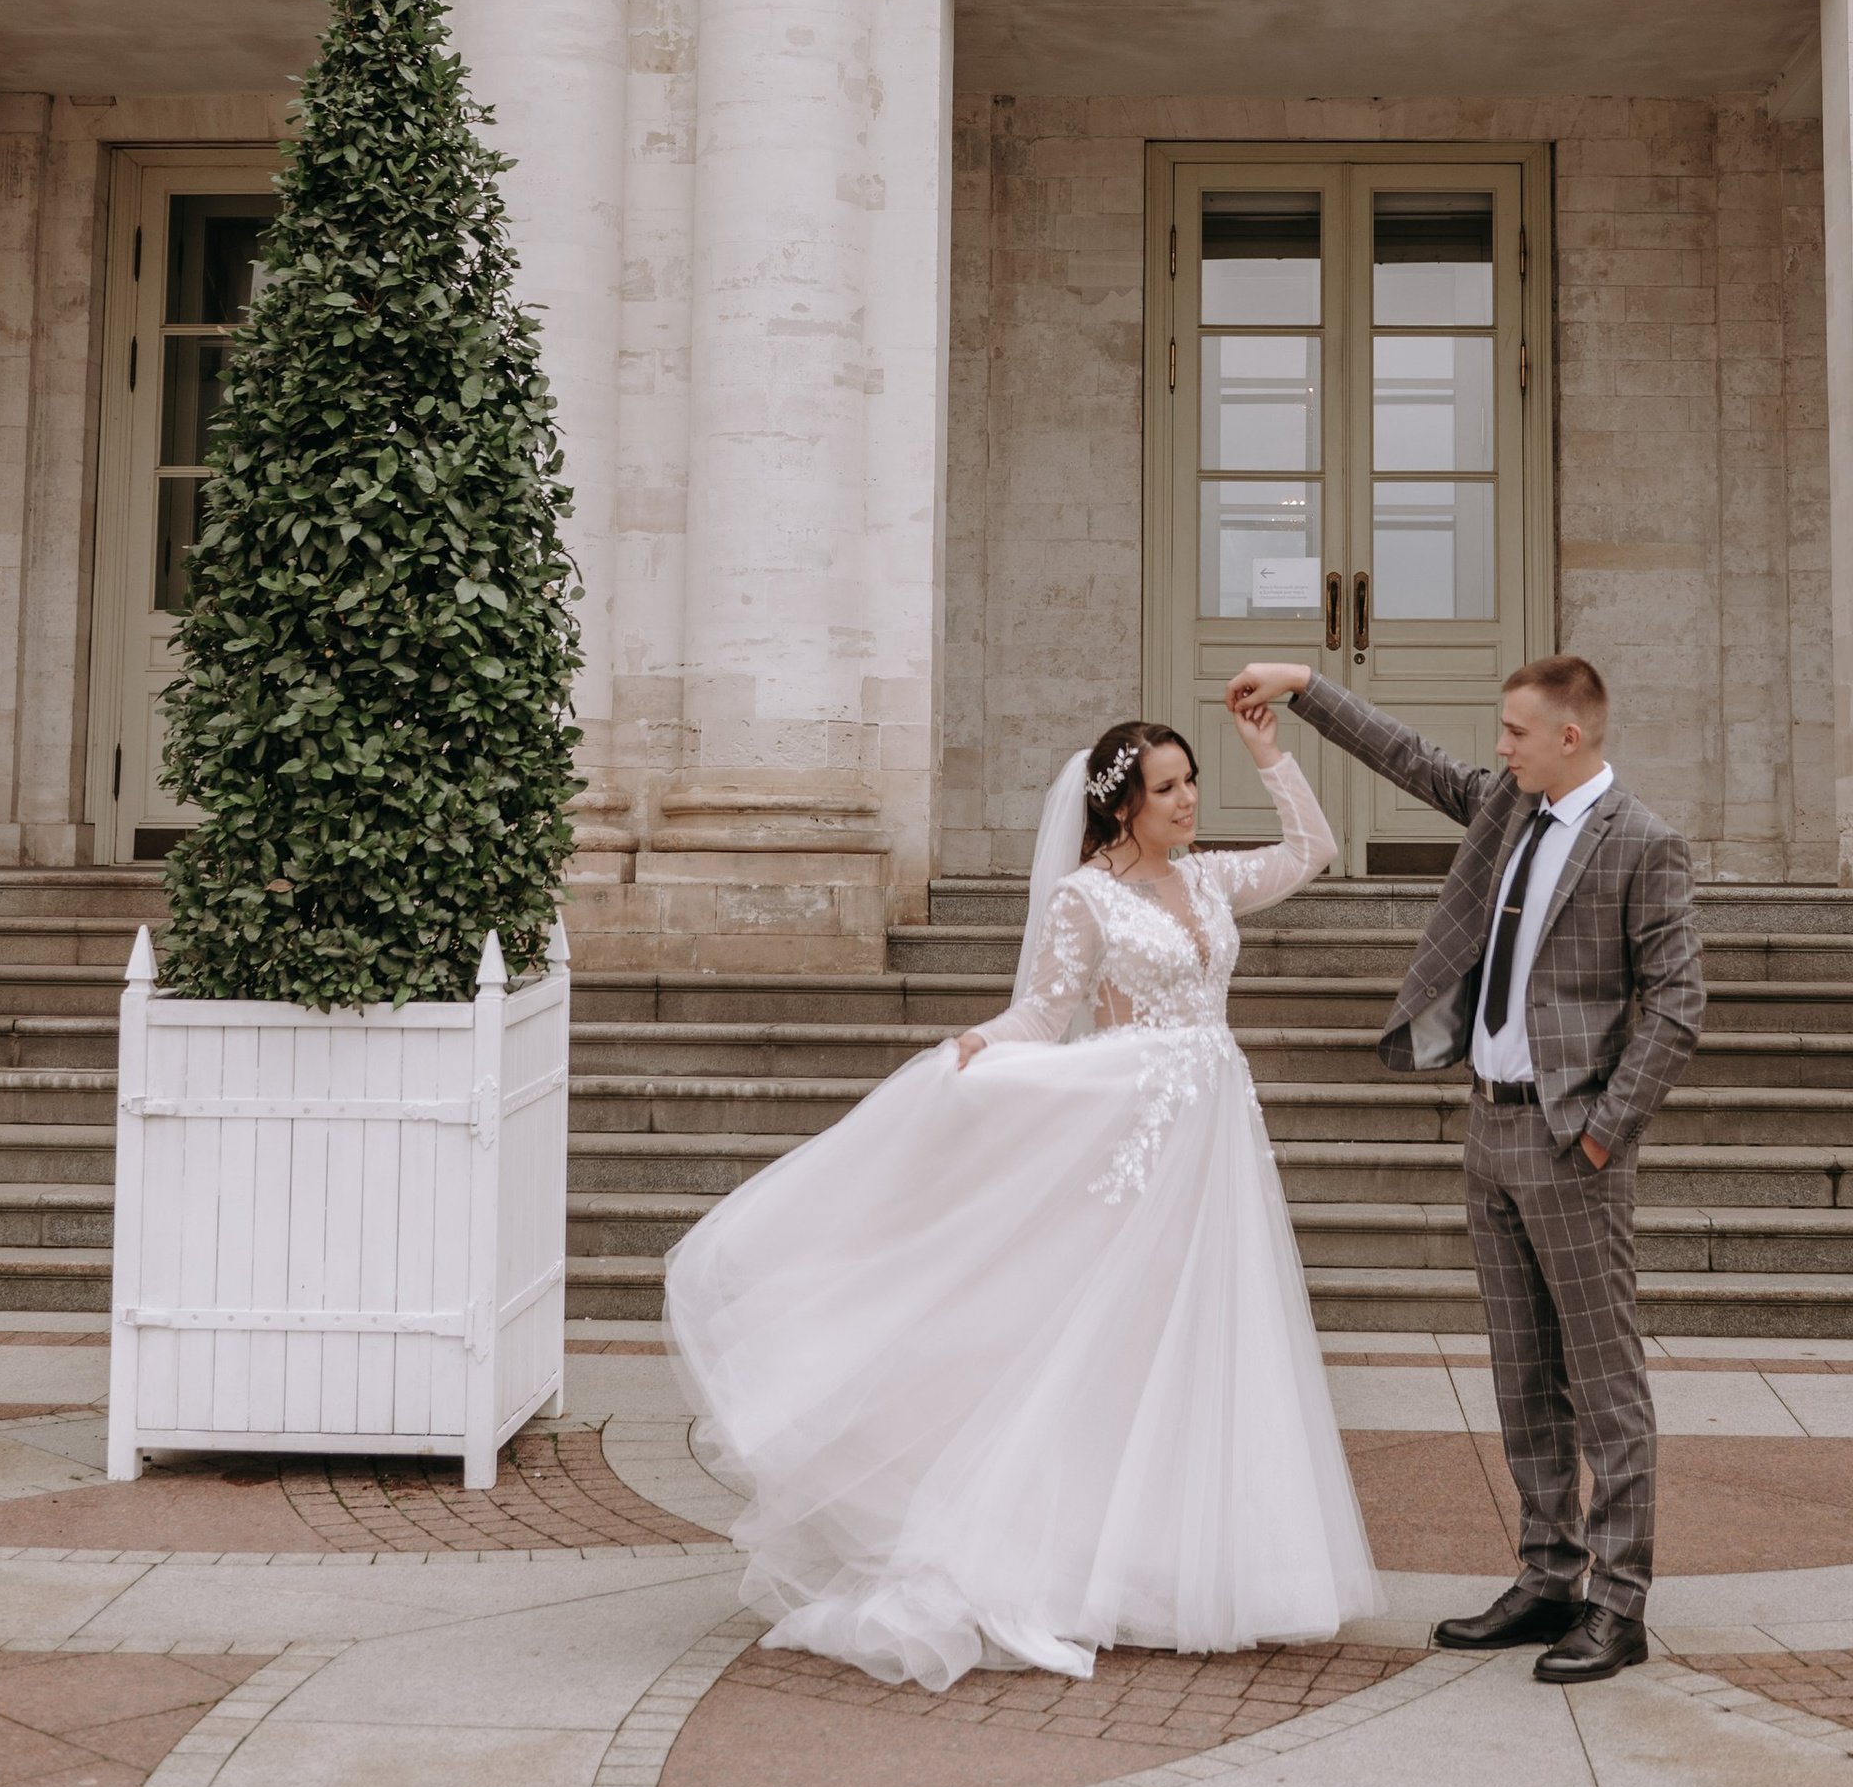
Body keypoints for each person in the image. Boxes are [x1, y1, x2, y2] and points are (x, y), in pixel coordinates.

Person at [662, 692, 1381, 1691]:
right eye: (1167, 788)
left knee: (1206, 1336)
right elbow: (1044, 1014)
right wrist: (976, 1048)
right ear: (1121, 805)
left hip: (1213, 1137)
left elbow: (1311, 848)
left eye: (1190, 782)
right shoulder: (1084, 898)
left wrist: (1267, 754)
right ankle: (1079, 1555)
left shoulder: (1210, 880)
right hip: (1131, 1131)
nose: (1187, 801)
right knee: (1114, 1337)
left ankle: (1184, 1560)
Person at [1226, 653, 1701, 1682]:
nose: (1498, 746)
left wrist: (1603, 1131)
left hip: (1571, 1141)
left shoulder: (1642, 845)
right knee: (1522, 1371)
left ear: (1568, 738)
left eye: (1515, 732)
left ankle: (1617, 1606)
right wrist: (1304, 687)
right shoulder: (1505, 811)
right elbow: (1406, 756)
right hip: (1487, 1129)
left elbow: (1675, 1004)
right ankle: (1546, 1577)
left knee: (1603, 1380)